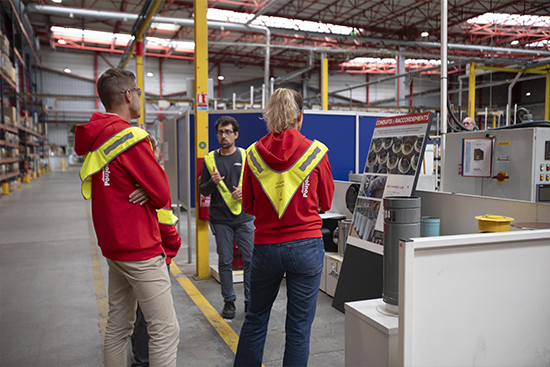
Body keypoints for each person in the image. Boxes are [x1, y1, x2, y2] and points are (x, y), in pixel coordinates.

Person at [75, 68, 179, 367]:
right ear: (127, 95)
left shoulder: (97, 136)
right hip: (140, 247)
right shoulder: (130, 137)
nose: (139, 97)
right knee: (165, 329)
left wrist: (144, 188)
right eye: (138, 92)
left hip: (113, 246)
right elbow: (162, 194)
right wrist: (149, 189)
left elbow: (114, 182)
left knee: (118, 326)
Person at [234, 88, 335, 367]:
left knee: (255, 319)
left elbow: (249, 205)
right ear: (300, 117)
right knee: (299, 329)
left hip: (265, 247)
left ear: (269, 117)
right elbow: (325, 202)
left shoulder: (252, 154)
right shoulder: (316, 152)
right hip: (306, 245)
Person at [129, 133, 182, 367]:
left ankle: (139, 356)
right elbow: (164, 219)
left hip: (131, 250)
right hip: (155, 253)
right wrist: (174, 245)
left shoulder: (129, 174)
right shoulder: (154, 177)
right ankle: (142, 360)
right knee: (155, 317)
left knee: (139, 312)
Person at [198, 116, 255, 319]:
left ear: (236, 134)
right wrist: (212, 183)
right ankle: (229, 301)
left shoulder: (246, 156)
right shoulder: (210, 160)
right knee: (225, 261)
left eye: (228, 132)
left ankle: (250, 302)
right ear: (217, 135)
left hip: (245, 218)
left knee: (250, 260)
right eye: (221, 132)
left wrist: (245, 192)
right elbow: (203, 190)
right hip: (220, 219)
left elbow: (258, 185)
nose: (224, 135)